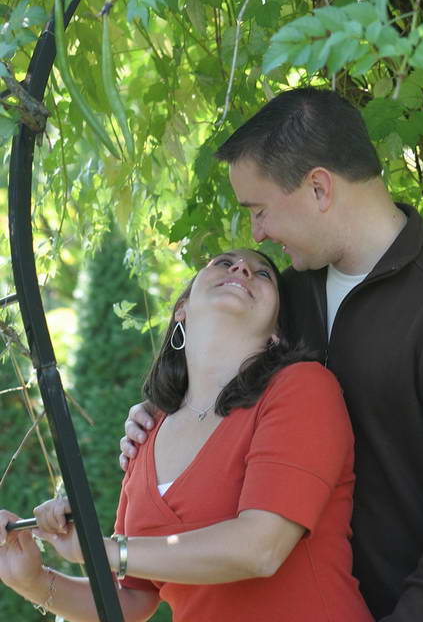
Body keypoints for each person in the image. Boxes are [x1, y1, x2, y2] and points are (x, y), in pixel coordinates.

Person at [122, 89, 423, 622]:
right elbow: (225, 391)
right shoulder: (288, 298)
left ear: (318, 187)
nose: (257, 233)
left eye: (261, 210)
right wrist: (158, 417)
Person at [0, 248, 373, 622]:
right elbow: (133, 600)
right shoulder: (146, 432)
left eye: (262, 275)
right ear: (182, 308)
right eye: (224, 263)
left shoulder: (302, 388)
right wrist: (31, 579)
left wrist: (106, 552)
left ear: (276, 332)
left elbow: (261, 548)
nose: (242, 268)